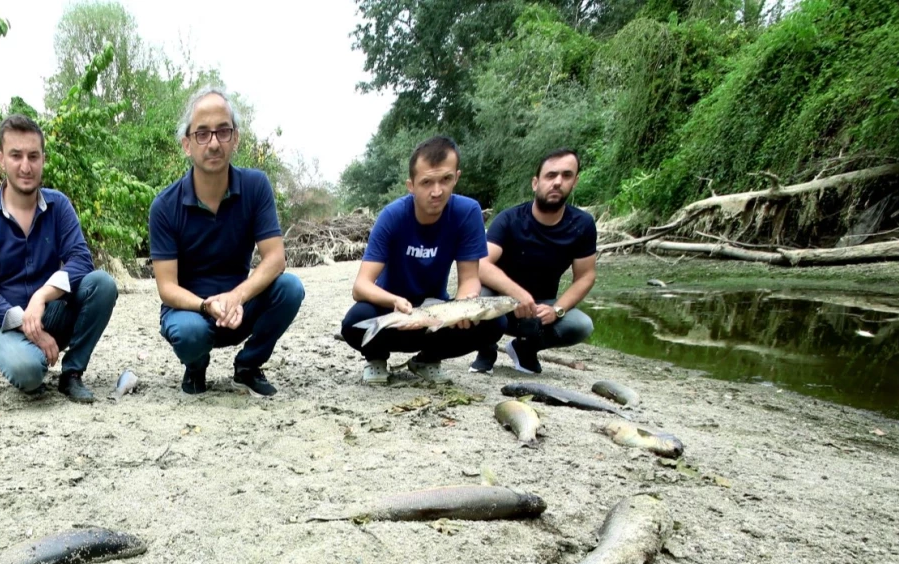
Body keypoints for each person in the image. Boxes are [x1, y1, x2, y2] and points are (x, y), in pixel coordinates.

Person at [149, 87, 304, 397]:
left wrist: (236, 296)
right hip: (191, 312)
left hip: (240, 308)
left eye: (223, 131)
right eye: (202, 134)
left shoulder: (256, 186)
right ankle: (196, 366)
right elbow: (167, 288)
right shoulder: (164, 206)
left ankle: (248, 365)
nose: (214, 143)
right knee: (189, 332)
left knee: (290, 288)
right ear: (187, 144)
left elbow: (275, 259)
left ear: (235, 138)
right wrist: (206, 305)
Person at [0, 114, 118, 402]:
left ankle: (72, 373)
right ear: (0, 159)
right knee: (30, 372)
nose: (25, 166)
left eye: (33, 156)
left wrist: (42, 296)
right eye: (16, 155)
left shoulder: (59, 205)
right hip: (0, 323)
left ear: (43, 158)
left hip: (49, 311)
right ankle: (33, 356)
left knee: (102, 284)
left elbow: (81, 260)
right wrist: (27, 326)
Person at [341, 136, 495, 385]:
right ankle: (376, 358)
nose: (437, 191)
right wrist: (394, 301)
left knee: (493, 321)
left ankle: (427, 359)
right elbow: (361, 287)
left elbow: (469, 279)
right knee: (354, 321)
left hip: (436, 313)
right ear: (411, 185)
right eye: (426, 183)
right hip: (392, 312)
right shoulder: (392, 216)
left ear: (456, 177)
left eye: (445, 179)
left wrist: (466, 305)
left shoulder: (467, 212)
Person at [472, 148, 597, 374]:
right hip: (502, 303)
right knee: (479, 296)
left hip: (542, 308)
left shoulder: (583, 224)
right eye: (551, 175)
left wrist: (557, 309)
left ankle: (524, 349)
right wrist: (517, 295)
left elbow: (586, 276)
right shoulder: (509, 219)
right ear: (535, 183)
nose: (558, 182)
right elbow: (480, 263)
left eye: (566, 176)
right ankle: (486, 349)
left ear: (575, 181)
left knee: (581, 325)